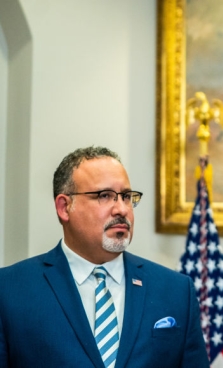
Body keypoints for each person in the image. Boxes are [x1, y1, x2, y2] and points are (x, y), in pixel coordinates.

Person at [0, 146, 209, 368]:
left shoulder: (175, 291)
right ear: (64, 207)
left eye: (127, 197)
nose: (121, 209)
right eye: (105, 196)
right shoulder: (9, 290)